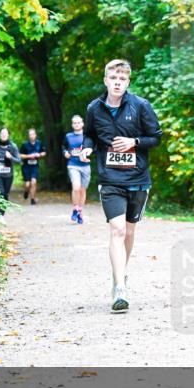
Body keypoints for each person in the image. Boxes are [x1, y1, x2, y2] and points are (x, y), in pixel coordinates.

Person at [80, 58, 162, 313]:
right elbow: (90, 134)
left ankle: (121, 274)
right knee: (116, 230)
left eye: (123, 79)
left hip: (137, 179)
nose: (118, 83)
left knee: (128, 232)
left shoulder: (141, 106)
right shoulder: (94, 108)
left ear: (128, 82)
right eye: (113, 78)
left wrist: (134, 142)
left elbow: (156, 137)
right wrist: (86, 148)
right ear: (106, 80)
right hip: (110, 178)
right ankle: (119, 288)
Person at [62, 115, 91, 225]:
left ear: (83, 124)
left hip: (86, 166)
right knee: (76, 187)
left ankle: (79, 211)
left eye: (79, 122)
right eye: (74, 123)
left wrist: (90, 152)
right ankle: (75, 208)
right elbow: (63, 146)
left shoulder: (87, 136)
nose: (77, 124)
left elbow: (94, 148)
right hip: (73, 165)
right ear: (72, 125)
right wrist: (65, 152)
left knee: (83, 190)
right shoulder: (68, 136)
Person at [0, 128, 20, 215]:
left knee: (5, 194)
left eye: (5, 133)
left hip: (8, 174)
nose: (3, 135)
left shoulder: (13, 146)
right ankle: (0, 215)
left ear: (8, 135)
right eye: (2, 133)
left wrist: (11, 157)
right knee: (1, 192)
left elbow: (19, 160)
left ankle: (2, 213)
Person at [19, 128, 46, 204]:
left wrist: (39, 154)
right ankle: (26, 191)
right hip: (26, 166)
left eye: (33, 134)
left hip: (35, 166)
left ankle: (32, 199)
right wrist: (29, 156)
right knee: (27, 184)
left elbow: (44, 152)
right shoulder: (24, 144)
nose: (32, 136)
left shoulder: (39, 143)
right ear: (28, 136)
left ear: (35, 135)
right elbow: (20, 155)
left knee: (33, 182)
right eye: (30, 134)